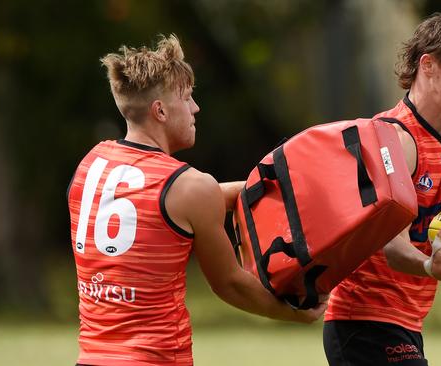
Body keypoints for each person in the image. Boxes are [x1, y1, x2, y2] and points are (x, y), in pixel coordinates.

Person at [67, 34, 325, 366]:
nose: (195, 108)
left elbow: (167, 206)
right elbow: (230, 284)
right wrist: (296, 315)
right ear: (160, 110)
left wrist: (276, 185)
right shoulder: (188, 186)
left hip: (91, 359)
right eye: (187, 98)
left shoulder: (92, 164)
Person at [323, 13, 441, 365]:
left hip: (408, 318)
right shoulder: (391, 139)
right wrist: (431, 266)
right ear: (428, 65)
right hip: (363, 316)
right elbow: (391, 246)